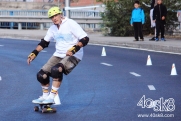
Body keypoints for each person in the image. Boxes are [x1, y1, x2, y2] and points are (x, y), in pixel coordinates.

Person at [27, 6, 89, 104]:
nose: (54, 18)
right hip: (58, 54)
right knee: (41, 75)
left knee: (56, 69)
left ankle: (52, 97)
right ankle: (45, 96)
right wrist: (34, 53)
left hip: (74, 55)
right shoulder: (52, 28)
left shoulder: (70, 23)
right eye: (52, 17)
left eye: (56, 15)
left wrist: (74, 49)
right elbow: (44, 43)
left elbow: (85, 39)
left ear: (60, 14)